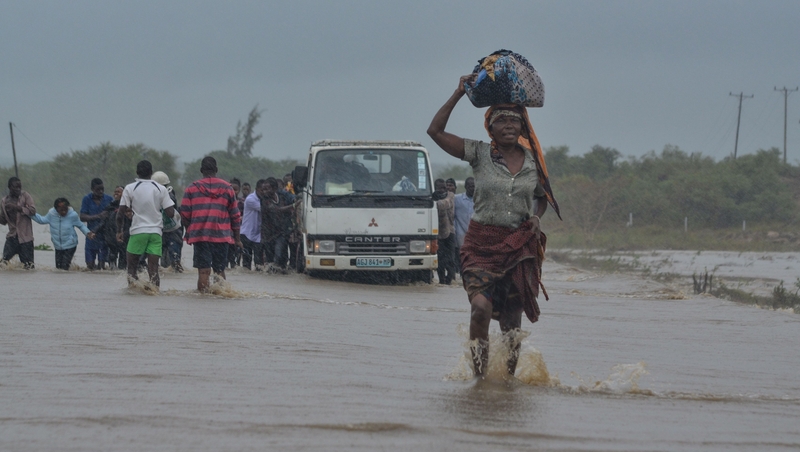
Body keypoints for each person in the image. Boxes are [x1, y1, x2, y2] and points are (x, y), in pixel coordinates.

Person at [427, 74, 560, 377]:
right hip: (480, 247)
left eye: (515, 121)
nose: (509, 125)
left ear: (523, 128)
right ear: (490, 128)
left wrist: (536, 217)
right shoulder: (479, 154)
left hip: (517, 248)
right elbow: (434, 131)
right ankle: (480, 377)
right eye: (501, 121)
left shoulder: (533, 163)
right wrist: (459, 92)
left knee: (511, 323)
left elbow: (542, 198)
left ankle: (508, 381)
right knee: (480, 310)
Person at [180, 156, 242, 292]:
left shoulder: (191, 189)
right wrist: (237, 239)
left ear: (201, 170)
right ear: (216, 170)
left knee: (203, 271)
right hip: (221, 235)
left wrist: (190, 230)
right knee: (220, 270)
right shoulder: (228, 188)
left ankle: (203, 299)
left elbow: (184, 213)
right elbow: (235, 215)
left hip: (201, 236)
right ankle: (220, 296)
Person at [117, 160, 175, 288]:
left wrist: (119, 231)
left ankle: (133, 292)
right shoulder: (160, 188)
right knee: (153, 270)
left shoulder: (130, 188)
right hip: (155, 233)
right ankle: (155, 293)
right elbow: (171, 213)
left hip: (138, 231)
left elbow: (120, 213)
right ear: (151, 173)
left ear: (137, 173)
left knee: (132, 267)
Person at [30, 198, 95, 270]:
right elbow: (41, 220)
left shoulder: (72, 215)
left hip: (70, 245)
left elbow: (81, 225)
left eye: (65, 209)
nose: (64, 212)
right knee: (58, 268)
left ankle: (67, 280)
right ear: (56, 209)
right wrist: (30, 214)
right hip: (58, 246)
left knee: (64, 267)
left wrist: (88, 233)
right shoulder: (51, 214)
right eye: (61, 210)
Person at [0, 177, 36, 269]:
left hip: (26, 238)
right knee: (3, 263)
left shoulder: (25, 196)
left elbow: (32, 210)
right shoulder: (4, 201)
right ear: (9, 187)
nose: (18, 189)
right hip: (12, 237)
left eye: (19, 187)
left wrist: (17, 207)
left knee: (29, 267)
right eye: (15, 187)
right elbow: (4, 221)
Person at [152, 171, 184, 272]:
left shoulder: (169, 195)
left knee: (174, 260)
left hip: (171, 231)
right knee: (157, 259)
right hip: (163, 230)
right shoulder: (155, 195)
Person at [260, 177, 294, 273]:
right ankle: (273, 275)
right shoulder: (264, 201)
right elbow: (277, 209)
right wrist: (293, 206)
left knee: (279, 255)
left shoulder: (282, 197)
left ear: (275, 189)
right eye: (263, 189)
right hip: (268, 234)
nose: (264, 191)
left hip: (280, 233)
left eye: (267, 189)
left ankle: (281, 272)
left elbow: (288, 213)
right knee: (270, 259)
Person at [80, 178, 113, 270]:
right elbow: (82, 217)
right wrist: (98, 216)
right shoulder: (86, 199)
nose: (101, 191)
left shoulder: (109, 199)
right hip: (91, 236)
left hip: (104, 237)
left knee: (101, 267)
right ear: (92, 189)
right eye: (98, 189)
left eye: (102, 189)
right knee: (90, 266)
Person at [433, 178, 456, 285]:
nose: (442, 190)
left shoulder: (450, 195)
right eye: (439, 188)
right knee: (440, 260)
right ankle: (442, 281)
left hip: (450, 231)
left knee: (451, 259)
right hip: (438, 233)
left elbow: (444, 204)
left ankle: (449, 281)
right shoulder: (432, 197)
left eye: (444, 188)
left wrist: (432, 202)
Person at [240, 179, 265, 270]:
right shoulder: (251, 199)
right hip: (247, 234)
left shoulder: (264, 199)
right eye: (262, 190)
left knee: (259, 263)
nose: (264, 192)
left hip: (258, 235)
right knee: (246, 264)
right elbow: (266, 209)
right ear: (257, 189)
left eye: (265, 190)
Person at [453, 176, 476, 273]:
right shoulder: (457, 199)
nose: (472, 188)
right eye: (470, 186)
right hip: (461, 234)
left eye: (474, 186)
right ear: (466, 186)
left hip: (475, 235)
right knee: (461, 258)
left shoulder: (479, 200)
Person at [228, 177, 244, 268]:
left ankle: (235, 265)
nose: (233, 192)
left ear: (239, 190)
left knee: (236, 255)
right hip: (226, 233)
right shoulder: (225, 202)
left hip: (238, 231)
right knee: (226, 257)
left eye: (236, 190)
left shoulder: (242, 202)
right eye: (231, 189)